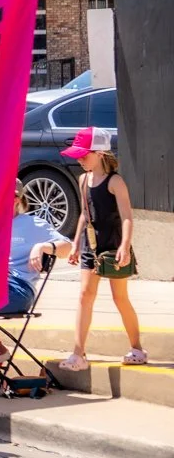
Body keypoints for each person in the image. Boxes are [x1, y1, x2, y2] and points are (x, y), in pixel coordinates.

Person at [0, 178, 73, 371]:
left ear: (16, 199)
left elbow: (67, 247)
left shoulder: (32, 223)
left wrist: (42, 246)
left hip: (17, 289)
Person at [59, 127, 147, 370]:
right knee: (85, 296)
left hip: (113, 246)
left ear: (99, 153)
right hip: (91, 246)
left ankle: (137, 348)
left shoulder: (115, 181)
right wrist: (76, 242)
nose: (79, 159)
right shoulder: (83, 179)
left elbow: (127, 216)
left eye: (83, 155)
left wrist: (125, 246)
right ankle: (78, 353)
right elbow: (85, 215)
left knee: (120, 298)